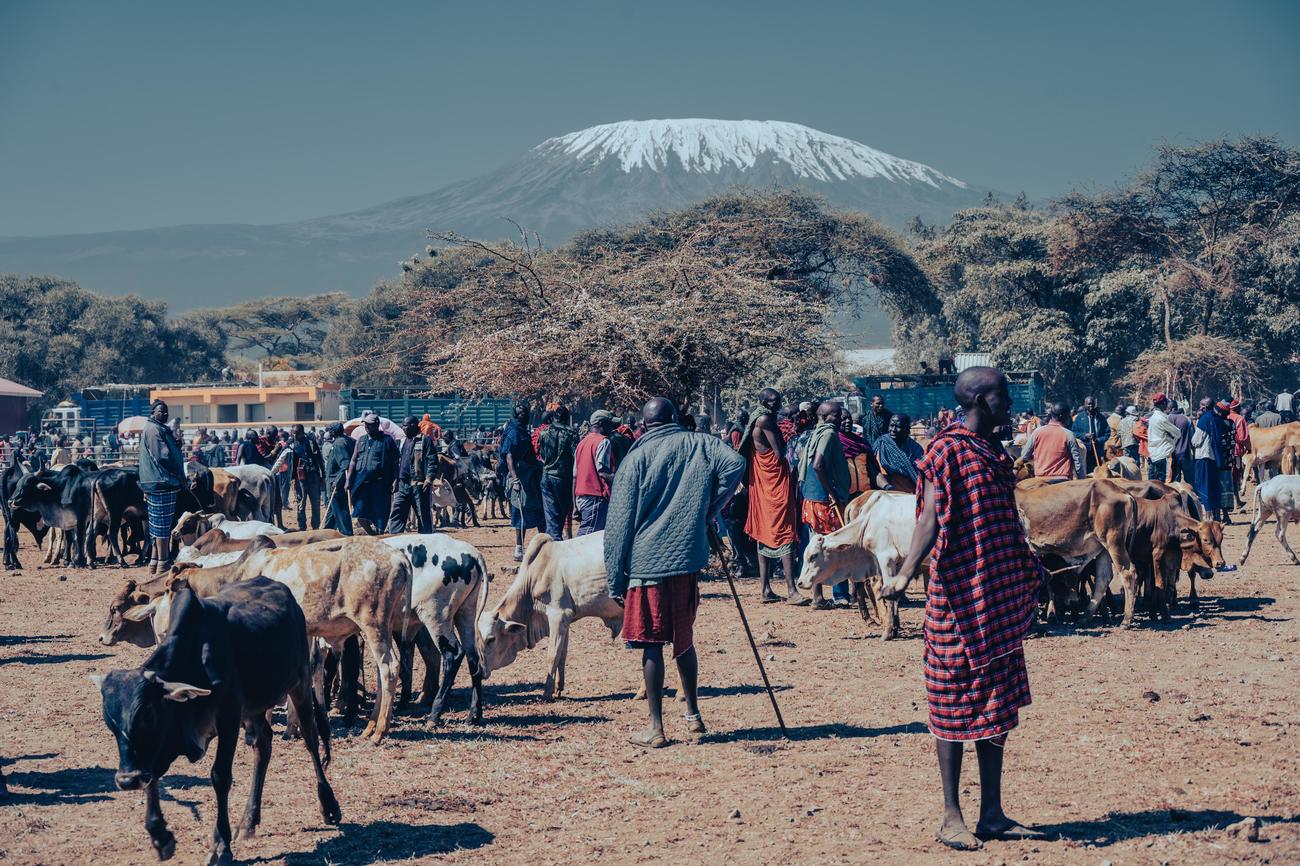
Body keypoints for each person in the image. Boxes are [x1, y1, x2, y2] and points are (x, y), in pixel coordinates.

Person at [883, 367, 1046, 851]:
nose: (1011, 403)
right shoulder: (945, 450)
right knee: (951, 703)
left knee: (997, 701)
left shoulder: (994, 450)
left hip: (996, 598)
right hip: (958, 600)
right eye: (1003, 395)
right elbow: (931, 517)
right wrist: (906, 572)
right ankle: (951, 815)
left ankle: (992, 813)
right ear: (978, 398)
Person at [605, 397, 746, 749]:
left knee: (651, 644)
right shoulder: (700, 443)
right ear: (674, 418)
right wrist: (709, 507)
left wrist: (614, 576)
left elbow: (619, 524)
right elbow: (737, 463)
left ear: (645, 423)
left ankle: (656, 727)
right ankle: (693, 716)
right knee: (683, 640)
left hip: (646, 563)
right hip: (686, 560)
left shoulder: (635, 459)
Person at [738, 389, 803, 605]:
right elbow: (780, 452)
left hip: (764, 483)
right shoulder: (765, 419)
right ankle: (792, 590)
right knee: (784, 530)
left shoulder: (759, 418)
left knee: (765, 531)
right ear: (764, 402)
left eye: (779, 401)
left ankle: (765, 589)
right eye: (774, 401)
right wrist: (793, 434)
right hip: (774, 482)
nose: (778, 405)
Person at [797, 400, 852, 609]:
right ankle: (840, 594)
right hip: (824, 500)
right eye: (836, 415)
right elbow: (818, 465)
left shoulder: (816, 432)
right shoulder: (828, 433)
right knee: (835, 545)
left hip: (812, 496)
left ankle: (817, 595)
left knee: (815, 546)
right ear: (824, 416)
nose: (840, 419)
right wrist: (833, 494)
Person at [138, 399, 185, 574]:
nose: (164, 414)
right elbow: (163, 457)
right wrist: (179, 475)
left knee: (157, 523)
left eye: (166, 411)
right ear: (153, 412)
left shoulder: (155, 428)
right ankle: (163, 562)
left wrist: (176, 446)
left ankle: (155, 561)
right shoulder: (154, 429)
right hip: (162, 481)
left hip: (155, 481)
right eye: (160, 411)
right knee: (163, 524)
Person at [501, 402, 545, 560]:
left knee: (539, 509)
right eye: (523, 414)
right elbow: (509, 456)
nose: (526, 417)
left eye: (527, 414)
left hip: (531, 476)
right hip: (519, 477)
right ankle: (519, 549)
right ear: (517, 416)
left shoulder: (522, 430)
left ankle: (545, 545)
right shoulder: (513, 432)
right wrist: (515, 480)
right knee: (519, 510)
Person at [347, 410, 399, 530]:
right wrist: (348, 479)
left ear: (376, 425)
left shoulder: (387, 440)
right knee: (359, 513)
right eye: (365, 424)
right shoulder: (361, 440)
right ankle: (371, 533)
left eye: (369, 424)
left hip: (380, 483)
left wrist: (396, 479)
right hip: (361, 483)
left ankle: (380, 533)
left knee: (380, 512)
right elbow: (354, 460)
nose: (366, 426)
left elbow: (395, 461)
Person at [538, 404, 579, 540]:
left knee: (551, 516)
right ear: (567, 418)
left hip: (547, 477)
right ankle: (556, 544)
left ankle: (554, 542)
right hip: (563, 479)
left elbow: (543, 455)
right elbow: (575, 456)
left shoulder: (543, 433)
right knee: (560, 516)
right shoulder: (572, 433)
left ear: (554, 418)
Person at [574, 410, 616, 535]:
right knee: (587, 536)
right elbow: (602, 471)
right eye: (610, 424)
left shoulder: (582, 443)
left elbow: (574, 476)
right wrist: (618, 479)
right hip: (595, 497)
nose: (612, 428)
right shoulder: (604, 442)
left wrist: (575, 505)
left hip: (581, 497)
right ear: (601, 424)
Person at [1017, 403, 1081, 481]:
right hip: (1062, 481)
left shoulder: (1037, 432)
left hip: (1040, 481)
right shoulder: (1069, 434)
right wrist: (1082, 481)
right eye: (1068, 415)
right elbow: (1077, 463)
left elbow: (1024, 455)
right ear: (1062, 416)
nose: (1069, 418)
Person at [1191, 399, 1231, 522]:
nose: (1200, 407)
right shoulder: (1217, 418)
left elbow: (1196, 441)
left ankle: (1208, 515)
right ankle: (1216, 514)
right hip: (1215, 457)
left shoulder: (1204, 420)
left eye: (1201, 405)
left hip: (1203, 456)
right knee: (1213, 486)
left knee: (1203, 485)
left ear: (1204, 407)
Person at [388, 416, 430, 533]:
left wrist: (429, 479)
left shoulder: (424, 440)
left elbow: (432, 460)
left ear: (413, 426)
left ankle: (426, 538)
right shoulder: (403, 441)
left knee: (422, 514)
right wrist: (396, 479)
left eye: (405, 425)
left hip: (418, 484)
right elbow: (399, 462)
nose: (403, 427)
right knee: (397, 511)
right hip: (403, 484)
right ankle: (395, 538)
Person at [283, 424, 326, 530]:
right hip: (299, 479)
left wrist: (323, 474)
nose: (294, 434)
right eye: (293, 432)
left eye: (296, 433)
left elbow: (319, 457)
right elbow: (283, 457)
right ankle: (302, 527)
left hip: (313, 476)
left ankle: (315, 526)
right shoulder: (291, 444)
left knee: (315, 503)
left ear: (302, 432)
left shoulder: (311, 441)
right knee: (301, 503)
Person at [874, 412, 926, 489]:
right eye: (891, 426)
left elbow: (922, 475)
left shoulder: (916, 449)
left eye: (898, 426)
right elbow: (872, 469)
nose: (893, 430)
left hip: (908, 493)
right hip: (885, 492)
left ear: (907, 430)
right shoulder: (881, 443)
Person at [322, 422, 354, 535]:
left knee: (340, 510)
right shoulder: (347, 439)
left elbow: (345, 464)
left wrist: (338, 481)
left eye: (329, 430)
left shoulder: (339, 443)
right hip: (335, 481)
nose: (328, 432)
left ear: (333, 432)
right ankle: (326, 532)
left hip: (336, 483)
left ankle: (347, 534)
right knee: (332, 510)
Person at [1070, 396, 1107, 474]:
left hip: (1098, 450)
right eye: (1089, 404)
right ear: (1084, 405)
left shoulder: (1101, 417)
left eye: (1092, 404)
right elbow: (1074, 432)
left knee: (1098, 472)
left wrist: (1098, 440)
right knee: (1086, 471)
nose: (1091, 406)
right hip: (1084, 450)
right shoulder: (1079, 418)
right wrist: (1084, 435)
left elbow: (1107, 433)